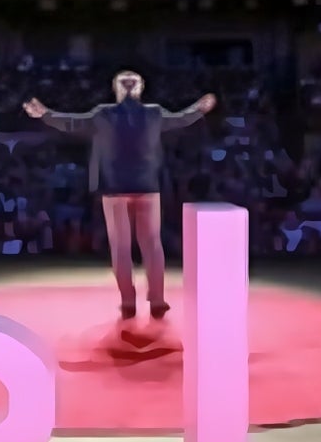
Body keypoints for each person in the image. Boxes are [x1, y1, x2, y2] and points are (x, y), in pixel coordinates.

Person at [24, 71, 216, 320]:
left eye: (131, 80)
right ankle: (142, 300)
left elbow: (181, 118)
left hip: (126, 187)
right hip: (135, 187)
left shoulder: (126, 114)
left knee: (135, 246)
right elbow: (72, 122)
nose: (128, 83)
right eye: (125, 81)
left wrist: (199, 109)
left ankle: (141, 300)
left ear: (137, 88)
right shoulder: (133, 114)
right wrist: (46, 114)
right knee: (138, 245)